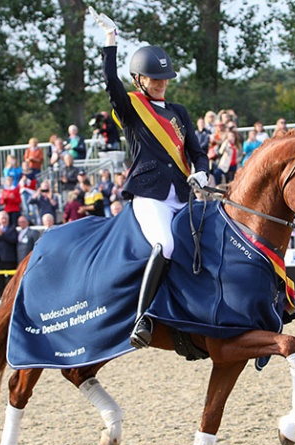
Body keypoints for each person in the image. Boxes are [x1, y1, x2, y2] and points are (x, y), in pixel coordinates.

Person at [91, 7, 209, 349]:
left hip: (184, 194)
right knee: (167, 245)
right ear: (140, 80)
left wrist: (200, 170)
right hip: (150, 196)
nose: (161, 83)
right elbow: (110, 83)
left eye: (165, 78)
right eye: (155, 79)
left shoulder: (179, 112)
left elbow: (196, 151)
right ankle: (142, 318)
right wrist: (110, 41)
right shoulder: (131, 107)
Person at [0, 211, 18, 296]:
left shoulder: (12, 229)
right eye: (2, 218)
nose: (4, 220)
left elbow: (13, 240)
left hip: (9, 258)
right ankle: (1, 296)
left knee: (10, 280)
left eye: (5, 218)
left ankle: (11, 296)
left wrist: (2, 234)